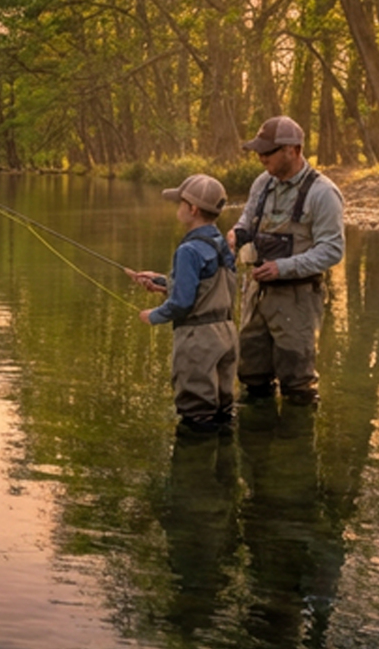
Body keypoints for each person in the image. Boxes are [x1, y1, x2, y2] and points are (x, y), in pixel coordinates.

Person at [229, 116, 343, 405]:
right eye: (259, 151)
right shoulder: (262, 183)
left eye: (267, 152)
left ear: (292, 150)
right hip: (255, 294)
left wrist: (283, 268)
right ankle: (256, 442)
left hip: (298, 298)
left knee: (297, 382)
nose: (260, 157)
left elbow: (332, 250)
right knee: (252, 375)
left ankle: (297, 443)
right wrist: (237, 234)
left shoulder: (323, 193)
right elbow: (247, 218)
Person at [127, 173, 239, 435]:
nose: (177, 208)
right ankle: (224, 470)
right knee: (223, 411)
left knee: (196, 416)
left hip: (198, 341)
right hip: (226, 335)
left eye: (180, 203)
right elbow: (208, 283)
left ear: (193, 209)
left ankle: (194, 471)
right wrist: (163, 281)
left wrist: (152, 316)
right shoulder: (221, 243)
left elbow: (181, 303)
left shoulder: (188, 250)